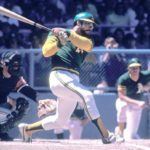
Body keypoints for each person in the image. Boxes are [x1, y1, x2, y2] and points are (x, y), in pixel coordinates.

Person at [18, 12, 116, 144]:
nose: (90, 26)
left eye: (91, 24)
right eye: (87, 23)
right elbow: (46, 52)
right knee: (87, 95)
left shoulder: (88, 40)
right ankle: (106, 135)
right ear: (77, 22)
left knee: (60, 121)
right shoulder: (55, 34)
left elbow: (85, 44)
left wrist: (67, 35)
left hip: (73, 79)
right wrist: (60, 43)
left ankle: (27, 129)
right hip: (59, 75)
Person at [0, 50, 39, 141]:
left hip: (2, 103)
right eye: (13, 64)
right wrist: (8, 100)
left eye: (17, 65)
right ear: (3, 64)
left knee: (23, 104)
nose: (15, 67)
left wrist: (40, 101)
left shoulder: (16, 77)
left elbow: (27, 90)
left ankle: (1, 131)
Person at [115, 58, 150, 142]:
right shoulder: (123, 79)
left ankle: (125, 132)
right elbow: (121, 96)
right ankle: (120, 131)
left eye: (137, 67)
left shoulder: (145, 75)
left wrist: (145, 87)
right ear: (128, 68)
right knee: (123, 106)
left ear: (140, 68)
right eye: (132, 67)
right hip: (125, 101)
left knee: (132, 134)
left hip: (137, 104)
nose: (135, 70)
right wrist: (137, 102)